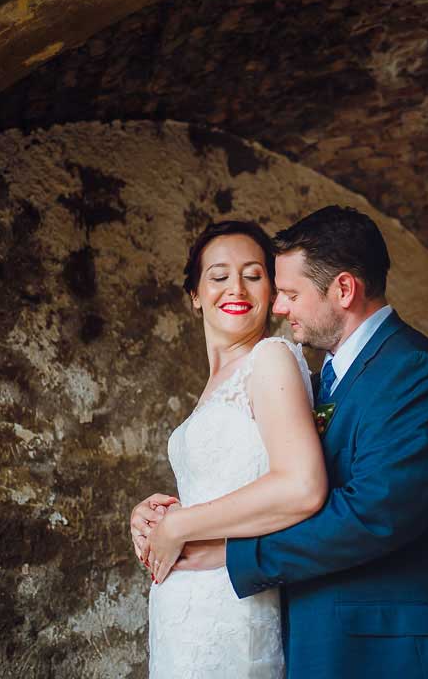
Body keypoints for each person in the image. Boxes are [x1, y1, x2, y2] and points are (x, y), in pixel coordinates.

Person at [133, 205, 428, 678]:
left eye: (288, 293)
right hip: (328, 639)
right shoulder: (325, 376)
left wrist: (230, 552)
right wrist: (168, 517)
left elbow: (373, 514)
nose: (279, 308)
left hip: (414, 649)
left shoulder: (416, 373)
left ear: (343, 289)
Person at [135, 220, 327, 679]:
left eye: (253, 274)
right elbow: (225, 488)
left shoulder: (270, 358)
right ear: (195, 295)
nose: (235, 287)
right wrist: (154, 516)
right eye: (218, 276)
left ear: (273, 292)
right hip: (185, 614)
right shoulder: (214, 388)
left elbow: (300, 486)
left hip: (234, 604)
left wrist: (181, 523)